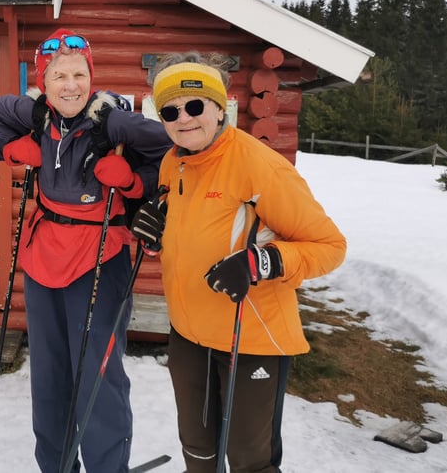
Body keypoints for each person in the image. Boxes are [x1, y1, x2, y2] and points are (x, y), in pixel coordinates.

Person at [130, 52, 347, 473]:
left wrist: (261, 263)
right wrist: (153, 225)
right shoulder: (172, 161)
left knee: (250, 461)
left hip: (249, 338)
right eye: (170, 110)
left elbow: (329, 246)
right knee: (197, 452)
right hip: (187, 334)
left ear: (218, 106)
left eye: (195, 106)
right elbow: (187, 230)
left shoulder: (259, 166)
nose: (184, 118)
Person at [0, 29, 171, 473]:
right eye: (59, 75)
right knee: (49, 377)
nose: (70, 85)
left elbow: (170, 148)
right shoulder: (34, 113)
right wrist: (10, 146)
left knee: (97, 375)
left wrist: (132, 182)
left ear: (92, 75)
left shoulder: (113, 121)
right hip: (44, 255)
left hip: (99, 256)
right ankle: (56, 466)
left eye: (79, 74)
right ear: (44, 80)